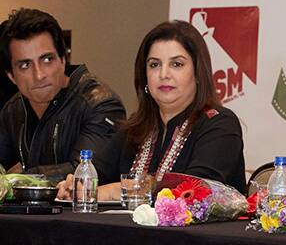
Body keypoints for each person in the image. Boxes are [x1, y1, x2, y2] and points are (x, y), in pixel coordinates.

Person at [58, 20, 246, 199]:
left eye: (177, 64)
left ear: (198, 73)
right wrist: (77, 184)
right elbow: (96, 174)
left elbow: (194, 190)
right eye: (154, 65)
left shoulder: (220, 124)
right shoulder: (135, 129)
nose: (164, 74)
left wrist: (121, 189)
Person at [0, 8, 125, 181]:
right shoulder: (12, 110)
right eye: (25, 65)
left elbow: (86, 174)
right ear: (11, 76)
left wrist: (20, 176)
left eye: (47, 60)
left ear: (63, 60)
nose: (39, 75)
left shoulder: (100, 103)